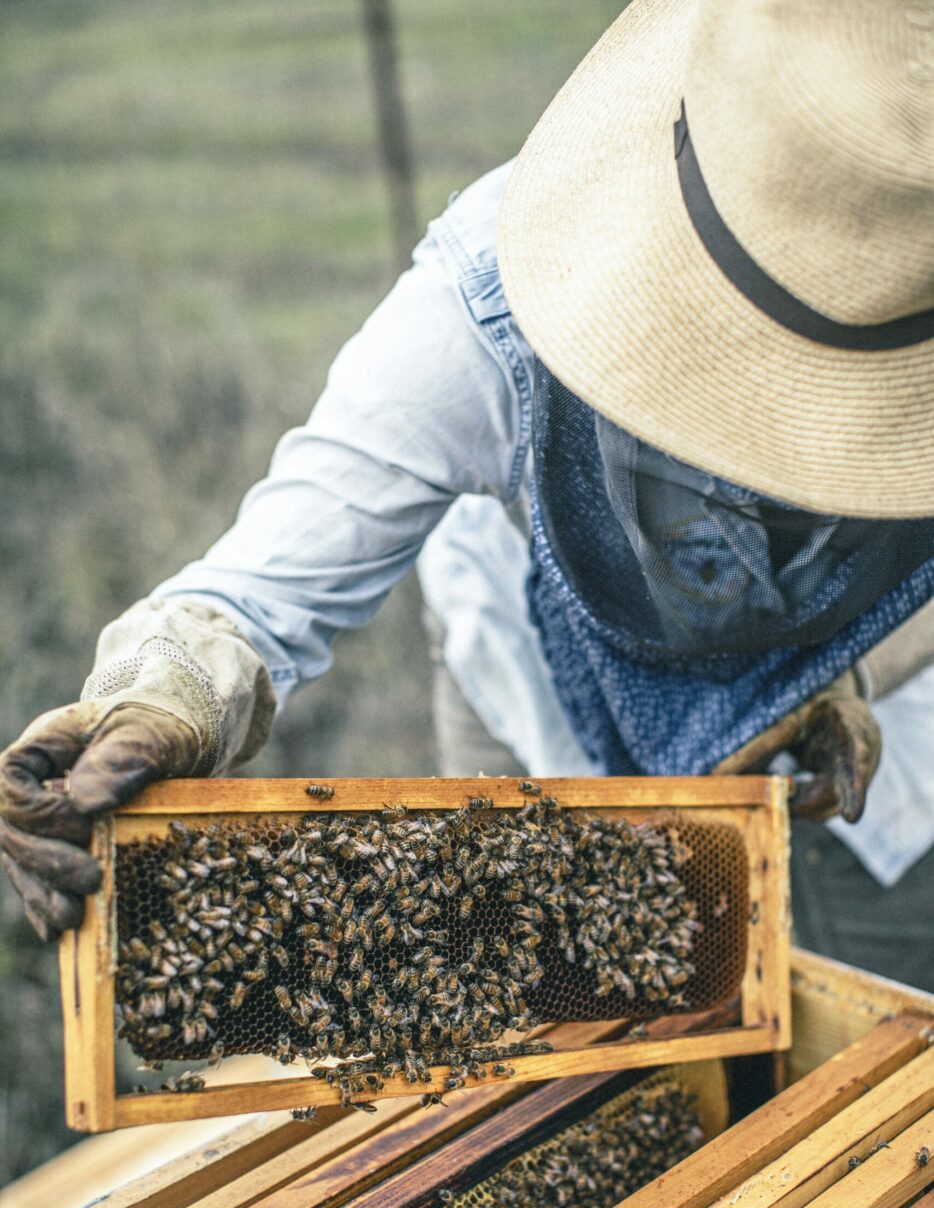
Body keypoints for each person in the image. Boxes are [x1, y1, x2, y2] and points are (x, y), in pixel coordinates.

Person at [1, 0, 932, 964]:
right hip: (531, 682)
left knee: (861, 1008)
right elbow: (254, 594)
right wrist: (160, 701)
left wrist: (848, 667)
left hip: (878, 765)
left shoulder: (913, 222)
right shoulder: (488, 300)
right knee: (537, 1003)